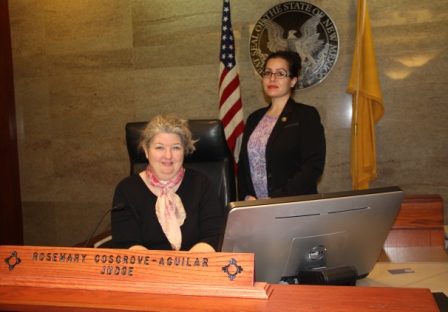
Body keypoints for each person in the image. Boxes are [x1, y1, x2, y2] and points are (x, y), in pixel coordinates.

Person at [111, 114, 223, 252]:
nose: (168, 155)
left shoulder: (202, 185)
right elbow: (126, 245)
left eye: (176, 147)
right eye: (159, 147)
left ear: (185, 151)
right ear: (146, 151)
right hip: (145, 270)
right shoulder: (127, 189)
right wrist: (162, 272)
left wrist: (183, 270)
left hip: (194, 268)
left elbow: (213, 237)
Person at [238, 50, 326, 200]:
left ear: (293, 81)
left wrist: (278, 198)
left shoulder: (305, 115)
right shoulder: (254, 118)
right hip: (255, 207)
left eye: (280, 73)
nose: (272, 78)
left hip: (293, 207)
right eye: (267, 73)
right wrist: (246, 196)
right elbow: (243, 165)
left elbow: (313, 166)